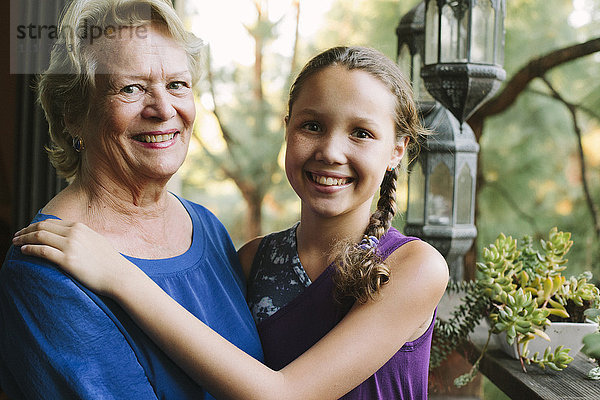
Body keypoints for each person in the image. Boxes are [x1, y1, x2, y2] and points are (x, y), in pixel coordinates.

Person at [14, 46, 449, 399]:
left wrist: (119, 276)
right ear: (287, 130)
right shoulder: (250, 261)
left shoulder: (413, 267)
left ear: (397, 149)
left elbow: (285, 395)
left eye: (362, 133)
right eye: (312, 126)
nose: (331, 151)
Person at [0, 0, 262, 399]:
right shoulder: (44, 270)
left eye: (177, 84)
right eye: (132, 88)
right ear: (73, 113)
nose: (163, 109)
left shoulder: (207, 228)